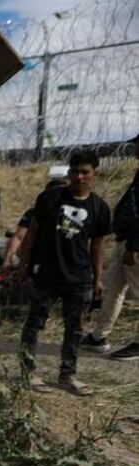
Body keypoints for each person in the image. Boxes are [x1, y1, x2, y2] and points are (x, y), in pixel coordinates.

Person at [18, 150, 112, 396]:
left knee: (75, 328)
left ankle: (67, 374)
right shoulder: (50, 198)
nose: (79, 177)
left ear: (94, 174)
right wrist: (23, 264)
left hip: (79, 278)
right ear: (69, 172)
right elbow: (32, 233)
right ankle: (27, 372)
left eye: (85, 172)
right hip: (47, 273)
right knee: (34, 323)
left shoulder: (99, 208)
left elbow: (97, 246)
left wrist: (98, 277)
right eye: (75, 172)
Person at [82, 142, 139, 361]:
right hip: (125, 241)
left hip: (134, 245)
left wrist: (134, 245)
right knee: (113, 287)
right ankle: (99, 336)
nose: (135, 149)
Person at [2, 177, 69, 269]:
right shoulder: (35, 212)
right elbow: (19, 236)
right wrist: (8, 260)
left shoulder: (71, 215)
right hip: (37, 258)